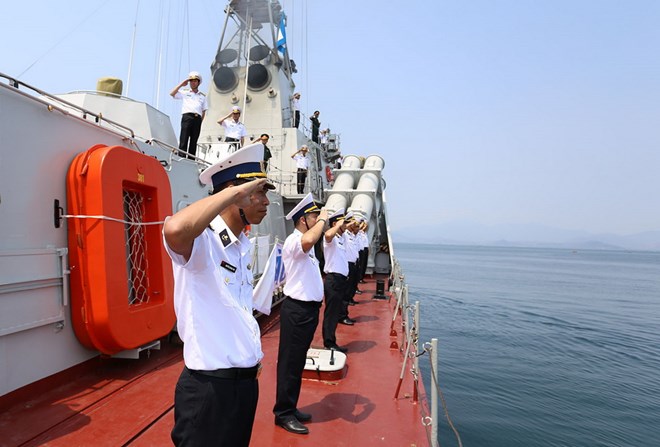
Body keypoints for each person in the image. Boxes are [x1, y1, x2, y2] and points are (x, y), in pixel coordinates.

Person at [163, 143, 275, 447]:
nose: (266, 201)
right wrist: (235, 193)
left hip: (243, 387)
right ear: (232, 193)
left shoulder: (240, 246)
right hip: (209, 392)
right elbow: (174, 229)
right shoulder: (203, 243)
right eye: (258, 192)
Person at [273, 193, 328, 435]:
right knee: (290, 364)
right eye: (314, 216)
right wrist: (324, 220)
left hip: (307, 312)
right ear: (304, 220)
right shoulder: (295, 241)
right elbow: (309, 239)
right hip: (297, 311)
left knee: (297, 362)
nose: (318, 220)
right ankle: (283, 414)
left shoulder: (306, 245)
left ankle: (290, 407)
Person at [322, 208, 349, 352]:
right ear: (335, 224)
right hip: (333, 280)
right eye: (343, 223)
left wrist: (342, 225)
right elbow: (327, 234)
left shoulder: (340, 238)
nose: (345, 225)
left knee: (336, 312)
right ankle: (329, 343)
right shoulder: (330, 240)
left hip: (341, 280)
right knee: (331, 313)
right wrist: (338, 224)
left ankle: (331, 340)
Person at [170, 71, 208, 159]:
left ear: (198, 82)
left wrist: (199, 121)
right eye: (191, 81)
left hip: (197, 119)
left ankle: (191, 160)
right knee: (184, 138)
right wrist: (181, 84)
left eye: (195, 81)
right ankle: (181, 157)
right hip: (187, 117)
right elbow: (172, 93)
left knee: (194, 141)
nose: (192, 83)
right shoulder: (185, 92)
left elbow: (204, 111)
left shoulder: (202, 96)